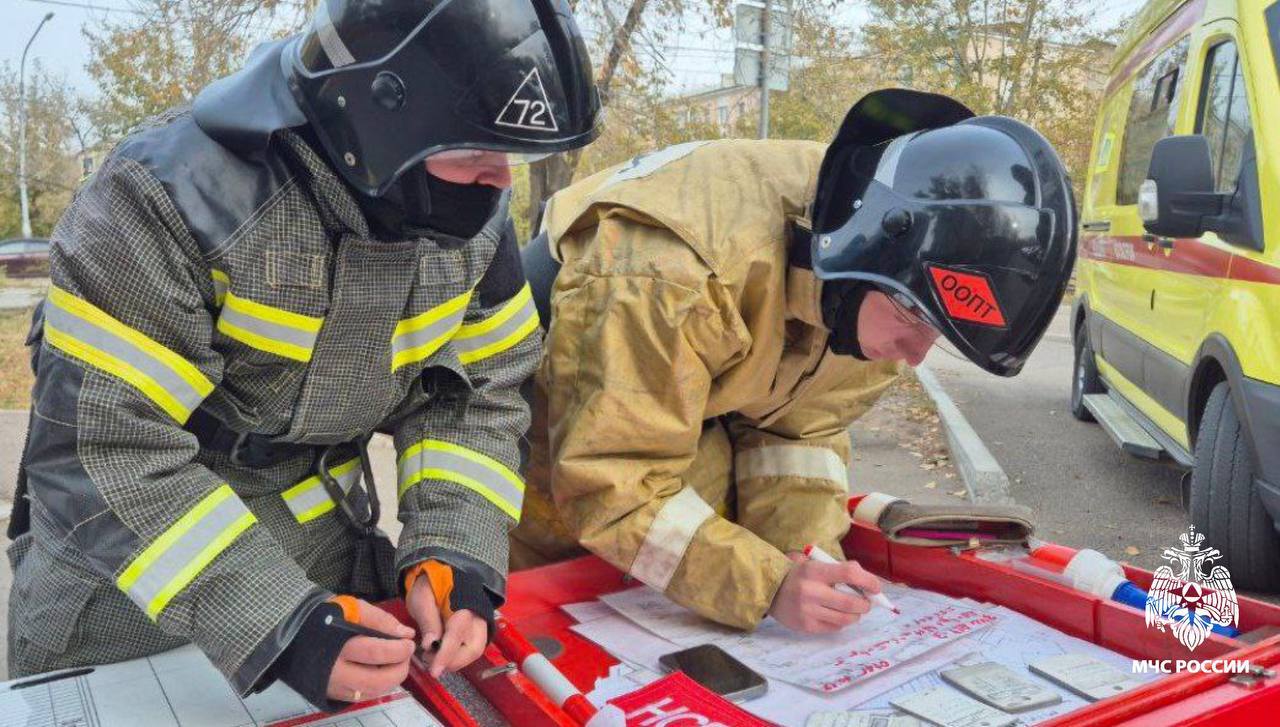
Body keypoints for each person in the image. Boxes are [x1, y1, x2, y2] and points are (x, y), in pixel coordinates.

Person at [5, 0, 600, 710]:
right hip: (127, 600)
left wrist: (453, 546)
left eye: (510, 156)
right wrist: (277, 623)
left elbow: (478, 393)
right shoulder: (169, 197)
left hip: (333, 575)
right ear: (379, 120)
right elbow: (102, 450)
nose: (501, 181)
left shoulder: (472, 220)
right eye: (474, 152)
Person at [512, 89, 1076, 633]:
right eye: (916, 321)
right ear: (867, 255)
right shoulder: (671, 273)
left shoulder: (877, 280)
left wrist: (803, 560)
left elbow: (799, 434)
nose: (915, 354)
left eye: (940, 332)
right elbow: (612, 482)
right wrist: (766, 585)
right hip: (537, 451)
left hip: (672, 437)